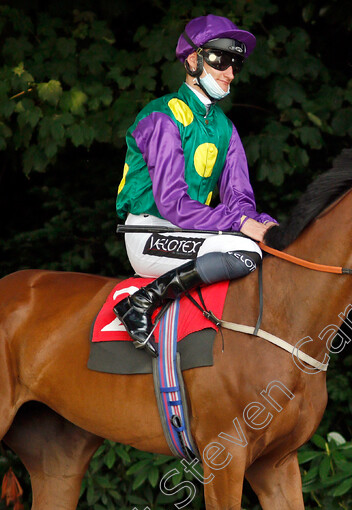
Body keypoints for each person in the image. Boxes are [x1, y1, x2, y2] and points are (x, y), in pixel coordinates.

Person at [114, 14, 276, 355]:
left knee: (267, 247)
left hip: (190, 233)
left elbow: (239, 199)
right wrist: (240, 225)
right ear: (192, 59)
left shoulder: (226, 128)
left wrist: (261, 223)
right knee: (246, 253)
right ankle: (141, 302)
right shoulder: (161, 115)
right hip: (150, 232)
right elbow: (172, 204)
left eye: (236, 64)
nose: (230, 73)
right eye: (220, 59)